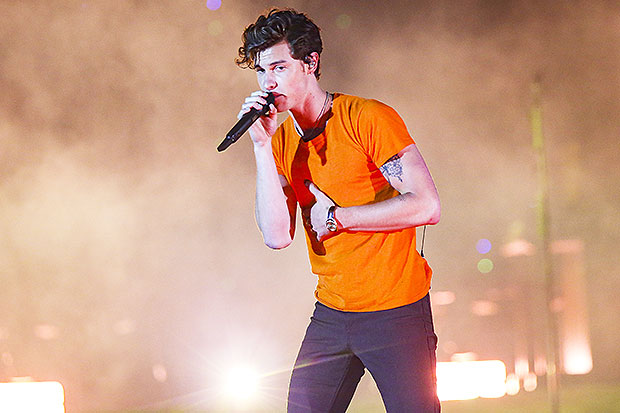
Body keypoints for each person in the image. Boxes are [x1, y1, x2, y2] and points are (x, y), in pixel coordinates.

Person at [234, 8, 441, 412]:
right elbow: (276, 236)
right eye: (261, 71)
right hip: (332, 313)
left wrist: (338, 218)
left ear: (310, 62)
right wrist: (261, 146)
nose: (268, 82)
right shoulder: (280, 141)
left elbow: (427, 204)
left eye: (279, 67)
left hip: (396, 311)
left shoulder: (366, 117)